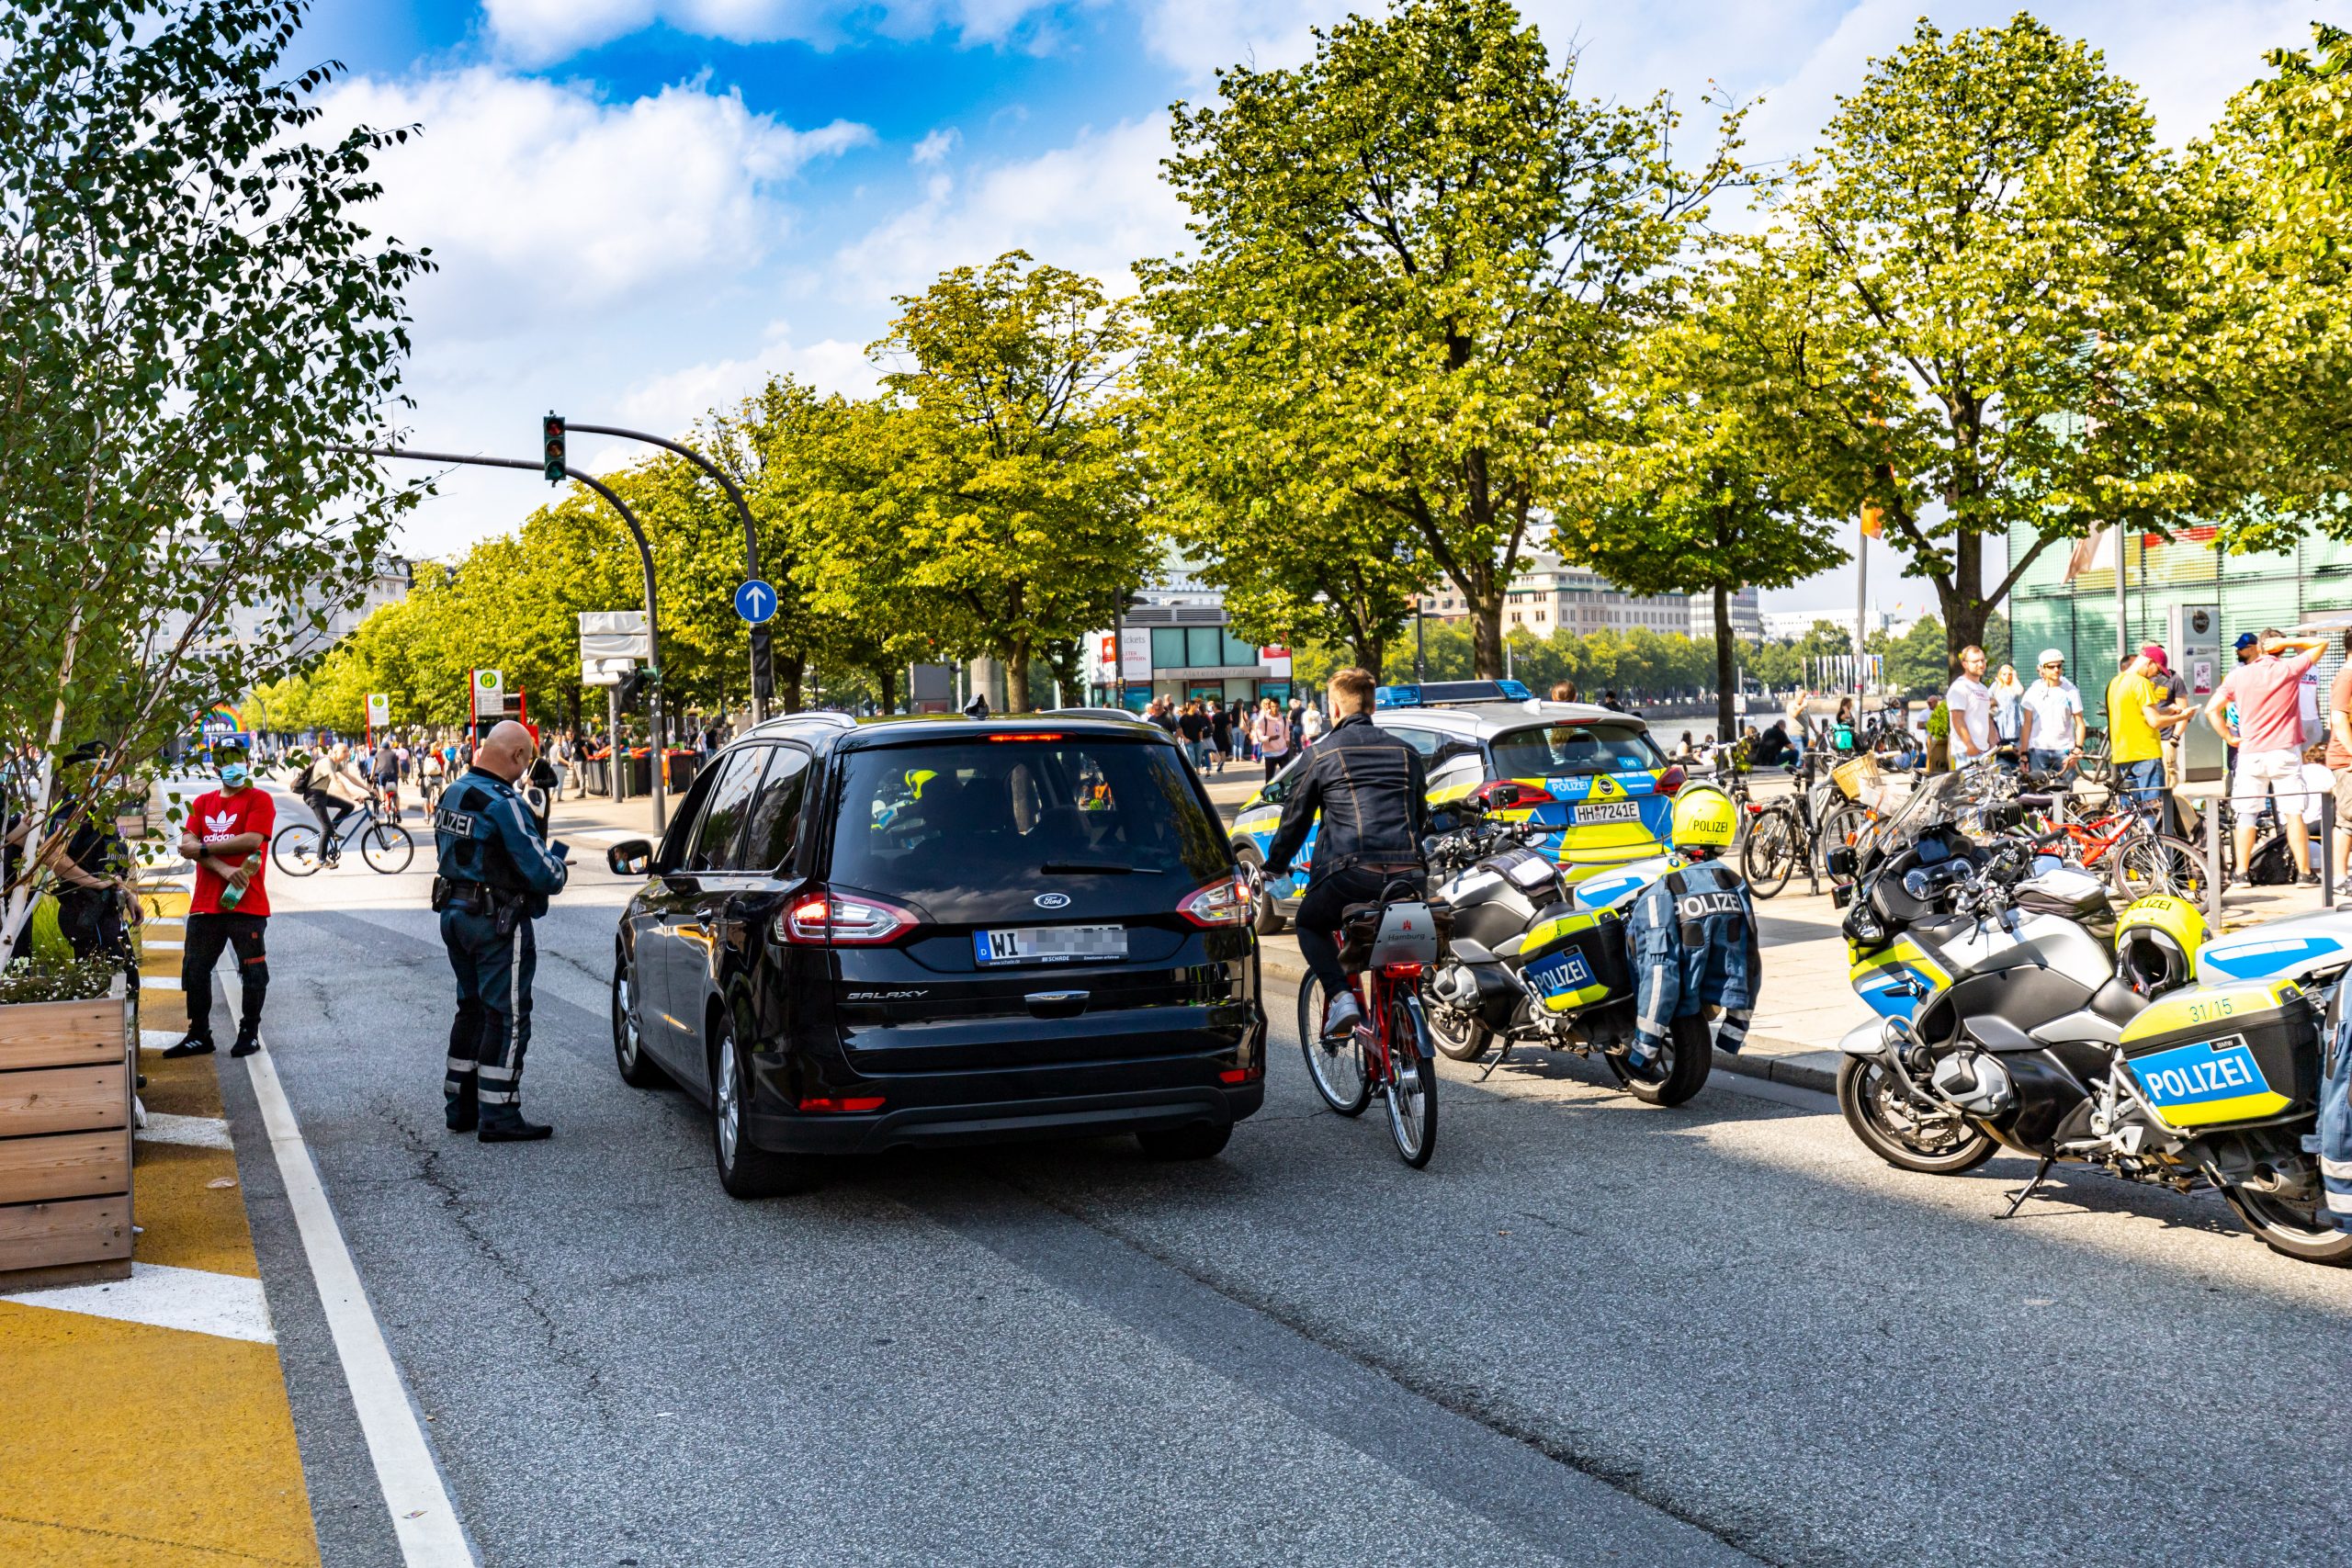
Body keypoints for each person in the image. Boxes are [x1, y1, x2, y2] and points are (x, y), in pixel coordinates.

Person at [1261, 667, 1429, 1039]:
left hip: (1351, 874)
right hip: (1409, 876)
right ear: (1371, 705)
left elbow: (1294, 821)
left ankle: (1340, 996)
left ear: (1334, 709)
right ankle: (1409, 1019)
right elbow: (1420, 817)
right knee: (1406, 944)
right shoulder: (1407, 753)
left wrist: (1275, 866)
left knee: (1309, 922)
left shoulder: (1321, 754)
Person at [433, 720, 571, 1142]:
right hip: (495, 920)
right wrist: (559, 860)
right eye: (525, 760)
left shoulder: (453, 792)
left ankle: (461, 1106)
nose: (525, 769)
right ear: (516, 757)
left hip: (454, 912)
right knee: (507, 1016)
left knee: (470, 1009)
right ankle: (500, 1112)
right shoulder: (504, 801)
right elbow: (543, 872)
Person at [1623, 784, 1758, 1082]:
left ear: (1681, 823)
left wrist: (1644, 1049)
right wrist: (1734, 1032)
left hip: (1673, 1003)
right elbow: (1749, 961)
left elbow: (1659, 973)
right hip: (1712, 997)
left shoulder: (1664, 890)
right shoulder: (1735, 884)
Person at [163, 754, 275, 1060]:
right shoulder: (201, 803)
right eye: (226, 762)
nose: (233, 767)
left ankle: (249, 1033)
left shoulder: (259, 799)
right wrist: (223, 869)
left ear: (249, 764)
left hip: (247, 903)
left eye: (238, 760)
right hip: (206, 904)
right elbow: (186, 845)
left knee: (253, 972)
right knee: (195, 971)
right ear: (216, 769)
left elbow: (251, 841)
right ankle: (199, 1035)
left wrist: (203, 848)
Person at [2209, 628, 2329, 887]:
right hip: (2284, 751)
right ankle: (2305, 873)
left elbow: (2211, 709)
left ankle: (2241, 873)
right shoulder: (2288, 669)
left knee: (2246, 814)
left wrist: (2229, 737)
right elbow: (2322, 643)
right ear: (2281, 649)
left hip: (2251, 752)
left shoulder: (2238, 675)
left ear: (2259, 648)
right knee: (2293, 813)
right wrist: (2288, 641)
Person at [36, 743, 134, 967]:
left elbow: (108, 863)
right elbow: (52, 855)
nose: (101, 775)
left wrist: (127, 894)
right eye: (95, 769)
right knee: (107, 987)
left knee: (125, 982)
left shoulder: (95, 809)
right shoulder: (73, 808)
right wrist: (95, 884)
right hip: (86, 909)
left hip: (106, 911)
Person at [2109, 646, 2191, 825]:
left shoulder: (2115, 682)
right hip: (2146, 753)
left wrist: (2168, 710)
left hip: (2123, 754)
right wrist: (2182, 716)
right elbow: (2154, 722)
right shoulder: (2141, 683)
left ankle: (2127, 849)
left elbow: (2136, 716)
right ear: (2150, 662)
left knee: (2128, 812)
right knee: (2152, 811)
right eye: (2157, 670)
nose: (2155, 676)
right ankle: (2153, 852)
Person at [2018, 649, 2085, 779]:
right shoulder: (2032, 692)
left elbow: (2080, 723)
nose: (2056, 670)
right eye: (2051, 666)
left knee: (2064, 794)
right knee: (2037, 795)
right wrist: (2024, 755)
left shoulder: (2071, 691)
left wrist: (2078, 749)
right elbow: (2027, 725)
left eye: (2059, 666)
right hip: (2037, 751)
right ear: (2042, 668)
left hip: (2065, 751)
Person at [2325, 631, 2352, 896]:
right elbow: (2338, 719)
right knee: (2348, 821)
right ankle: (2340, 878)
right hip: (2347, 761)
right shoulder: (2346, 677)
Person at [1944, 646, 1996, 766]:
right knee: (1967, 785)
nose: (1981, 664)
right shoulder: (1959, 687)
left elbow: (1986, 716)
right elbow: (1957, 718)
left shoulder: (1983, 688)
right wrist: (1969, 745)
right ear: (1965, 664)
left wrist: (1992, 743)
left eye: (1982, 660)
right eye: (1975, 661)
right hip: (1965, 752)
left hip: (1984, 751)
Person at [1990, 663, 2026, 756]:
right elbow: (1991, 699)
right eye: (2004, 674)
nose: (2007, 676)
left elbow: (2020, 691)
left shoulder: (2014, 686)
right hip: (2000, 719)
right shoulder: (1996, 685)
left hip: (2012, 720)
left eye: (2009, 674)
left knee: (2015, 746)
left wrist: (2015, 677)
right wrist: (1998, 685)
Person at [1252, 696, 1290, 780]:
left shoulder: (1284, 719)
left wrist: (1287, 741)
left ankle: (1287, 792)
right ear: (1270, 707)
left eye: (1277, 706)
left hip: (1283, 752)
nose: (1275, 708)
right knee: (1269, 779)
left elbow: (1287, 734)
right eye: (1273, 706)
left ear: (1279, 706)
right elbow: (1260, 737)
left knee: (1288, 777)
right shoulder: (1263, 720)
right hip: (1270, 753)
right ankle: (1269, 793)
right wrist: (1270, 738)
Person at [1178, 700, 1209, 768]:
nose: (1197, 708)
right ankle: (1193, 771)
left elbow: (1200, 729)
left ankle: (1197, 771)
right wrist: (1185, 739)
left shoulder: (1198, 717)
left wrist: (1201, 740)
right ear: (1191, 706)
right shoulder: (1183, 718)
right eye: (1196, 706)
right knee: (1192, 758)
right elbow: (1179, 731)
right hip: (1189, 741)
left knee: (1198, 757)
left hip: (1198, 741)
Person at [1208, 700, 1233, 774]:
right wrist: (1229, 733)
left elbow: (1213, 727)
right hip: (1224, 734)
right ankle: (1221, 767)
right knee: (1223, 751)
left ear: (1216, 708)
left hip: (1216, 734)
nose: (1213, 709)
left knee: (1213, 750)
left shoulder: (1215, 716)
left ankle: (1219, 763)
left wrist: (1211, 732)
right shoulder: (1226, 715)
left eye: (1213, 707)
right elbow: (1229, 725)